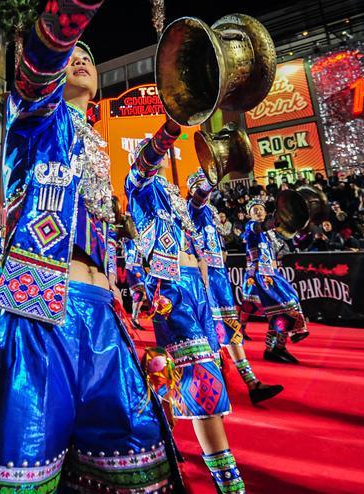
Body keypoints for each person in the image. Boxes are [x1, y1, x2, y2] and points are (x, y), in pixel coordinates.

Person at [0, 0, 183, 492]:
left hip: (103, 314)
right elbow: (40, 61)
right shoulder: (35, 119)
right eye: (71, 52)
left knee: (133, 475)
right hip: (36, 310)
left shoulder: (98, 145)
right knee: (22, 473)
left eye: (89, 52)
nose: (80, 55)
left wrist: (182, 112)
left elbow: (148, 168)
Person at [127, 128, 245, 494]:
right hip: (171, 287)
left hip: (198, 287)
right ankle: (229, 483)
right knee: (201, 375)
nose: (159, 160)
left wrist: (216, 168)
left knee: (173, 367)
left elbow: (200, 197)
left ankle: (159, 434)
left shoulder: (179, 201)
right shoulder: (140, 190)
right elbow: (142, 168)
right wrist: (170, 129)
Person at [187, 168, 283, 407]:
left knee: (230, 331)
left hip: (219, 278)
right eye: (200, 184)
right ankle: (214, 387)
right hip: (204, 278)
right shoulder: (193, 207)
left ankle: (250, 383)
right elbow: (199, 199)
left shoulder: (211, 213)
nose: (206, 188)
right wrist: (211, 178)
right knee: (211, 332)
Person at [241, 198, 309, 364]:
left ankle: (275, 348)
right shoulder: (251, 227)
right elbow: (259, 227)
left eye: (260, 209)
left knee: (279, 311)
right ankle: (279, 343)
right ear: (249, 214)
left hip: (273, 274)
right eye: (254, 209)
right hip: (259, 277)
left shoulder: (270, 234)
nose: (258, 212)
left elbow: (288, 244)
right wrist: (276, 221)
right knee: (287, 304)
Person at [122, 236, 148, 329]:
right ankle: (134, 318)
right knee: (140, 293)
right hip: (132, 267)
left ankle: (135, 317)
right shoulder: (130, 239)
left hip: (140, 268)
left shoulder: (142, 239)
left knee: (142, 295)